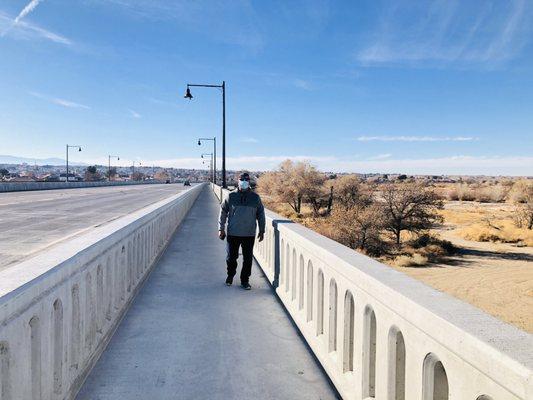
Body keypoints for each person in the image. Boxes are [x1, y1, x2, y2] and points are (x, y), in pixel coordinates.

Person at [218, 172, 265, 290]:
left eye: (246, 180)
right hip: (233, 233)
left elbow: (261, 214)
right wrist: (221, 228)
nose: (243, 182)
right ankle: (230, 275)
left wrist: (262, 230)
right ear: (238, 181)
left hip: (249, 233)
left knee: (248, 259)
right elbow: (223, 212)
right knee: (231, 257)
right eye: (241, 180)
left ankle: (245, 280)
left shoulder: (255, 198)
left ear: (249, 182)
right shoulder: (231, 196)